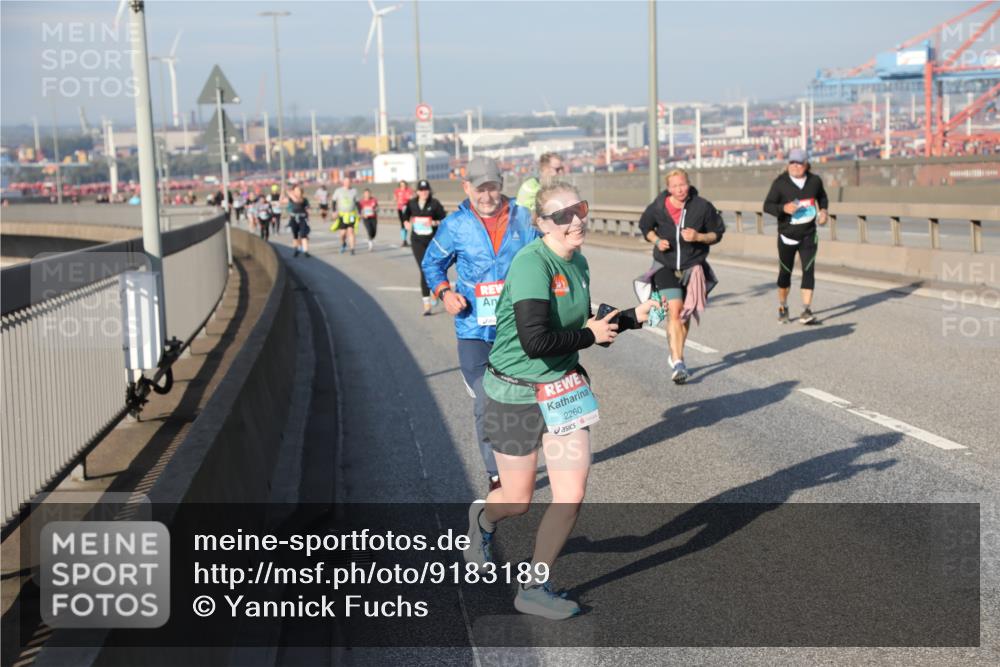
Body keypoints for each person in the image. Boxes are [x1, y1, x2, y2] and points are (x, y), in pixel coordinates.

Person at [466, 181, 657, 620]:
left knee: (570, 493)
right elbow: (535, 341)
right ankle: (483, 519)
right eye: (561, 215)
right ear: (541, 224)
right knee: (516, 500)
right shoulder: (532, 264)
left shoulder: (579, 261)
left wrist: (629, 317)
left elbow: (582, 322)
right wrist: (590, 335)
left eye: (580, 209)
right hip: (514, 391)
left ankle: (534, 586)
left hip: (564, 392)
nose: (575, 221)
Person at [421, 157, 539, 493]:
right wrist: (444, 293)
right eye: (479, 188)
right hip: (474, 329)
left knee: (523, 402)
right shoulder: (456, 225)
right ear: (467, 188)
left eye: (492, 187)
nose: (487, 195)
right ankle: (496, 474)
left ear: (501, 185)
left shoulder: (523, 217)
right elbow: (433, 263)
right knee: (486, 397)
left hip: (518, 328)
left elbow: (547, 253)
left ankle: (518, 460)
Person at [638, 169, 725, 384]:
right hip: (665, 266)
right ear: (668, 188)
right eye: (675, 186)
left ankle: (677, 353)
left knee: (684, 317)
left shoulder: (702, 206)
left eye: (683, 184)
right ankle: (678, 362)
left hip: (692, 268)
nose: (680, 189)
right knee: (674, 311)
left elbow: (717, 233)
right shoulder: (658, 206)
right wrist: (656, 241)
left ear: (688, 184)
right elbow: (645, 227)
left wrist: (699, 236)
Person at [763, 148, 829, 324]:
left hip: (808, 235)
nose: (795, 166)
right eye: (792, 162)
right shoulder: (780, 183)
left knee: (808, 270)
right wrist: (783, 209)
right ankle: (783, 306)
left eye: (799, 163)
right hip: (787, 236)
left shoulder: (814, 181)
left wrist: (823, 211)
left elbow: (822, 197)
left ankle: (806, 310)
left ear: (806, 165)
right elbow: (767, 205)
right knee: (785, 273)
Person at [401, 180, 447, 314]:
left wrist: (433, 223)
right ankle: (426, 303)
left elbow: (444, 220)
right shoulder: (412, 203)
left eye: (426, 190)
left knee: (434, 267)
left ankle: (435, 291)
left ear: (429, 191)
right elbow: (404, 214)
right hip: (417, 240)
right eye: (421, 190)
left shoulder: (435, 204)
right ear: (417, 192)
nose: (423, 192)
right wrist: (405, 222)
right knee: (424, 269)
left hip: (433, 241)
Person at [331, 176, 361, 255]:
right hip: (342, 215)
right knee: (342, 233)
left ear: (351, 183)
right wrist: (334, 211)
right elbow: (333, 201)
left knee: (351, 231)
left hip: (351, 214)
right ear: (343, 183)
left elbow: (357, 203)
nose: (347, 183)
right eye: (346, 182)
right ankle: (343, 243)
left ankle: (352, 249)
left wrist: (360, 212)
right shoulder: (338, 191)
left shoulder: (354, 191)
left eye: (349, 182)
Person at [287, 184, 311, 257]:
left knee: (303, 234)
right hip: (294, 218)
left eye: (299, 190)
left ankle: (305, 251)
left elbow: (298, 201)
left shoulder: (303, 199)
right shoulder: (291, 199)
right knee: (295, 235)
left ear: (301, 192)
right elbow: (281, 201)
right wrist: (283, 192)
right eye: (296, 190)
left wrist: (308, 216)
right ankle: (296, 249)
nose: (297, 192)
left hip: (302, 218)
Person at [394, 180, 414, 247]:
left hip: (407, 209)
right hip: (400, 208)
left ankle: (405, 240)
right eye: (401, 185)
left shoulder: (409, 190)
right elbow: (395, 198)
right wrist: (397, 200)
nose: (403, 186)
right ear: (399, 185)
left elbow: (412, 198)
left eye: (404, 185)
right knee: (402, 224)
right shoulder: (397, 191)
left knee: (406, 223)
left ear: (406, 185)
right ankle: (404, 240)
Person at [359, 188, 379, 252]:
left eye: (368, 193)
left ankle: (371, 238)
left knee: (374, 232)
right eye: (366, 194)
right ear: (364, 194)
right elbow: (359, 211)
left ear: (370, 194)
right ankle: (370, 244)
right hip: (366, 218)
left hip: (373, 217)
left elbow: (377, 208)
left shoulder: (374, 200)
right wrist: (362, 215)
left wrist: (375, 210)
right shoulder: (361, 202)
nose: (367, 195)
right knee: (369, 230)